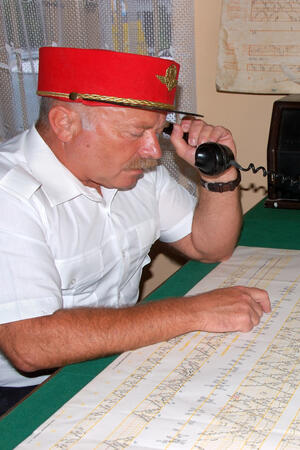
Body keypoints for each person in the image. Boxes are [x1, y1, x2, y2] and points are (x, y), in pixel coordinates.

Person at [0, 47, 271, 416]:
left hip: (113, 359)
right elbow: (31, 346)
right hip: (25, 394)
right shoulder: (9, 194)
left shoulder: (136, 171)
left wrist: (218, 173)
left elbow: (210, 247)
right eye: (135, 132)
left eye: (159, 132)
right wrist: (192, 312)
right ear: (65, 124)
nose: (153, 151)